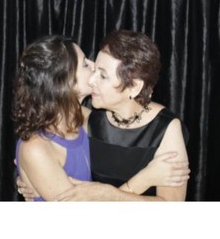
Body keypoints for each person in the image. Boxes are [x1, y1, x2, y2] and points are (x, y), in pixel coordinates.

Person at [12, 35, 187, 201]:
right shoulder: (84, 122)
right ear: (64, 82)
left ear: (134, 86)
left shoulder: (87, 119)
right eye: (86, 65)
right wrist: (141, 180)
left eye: (103, 74)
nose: (93, 69)